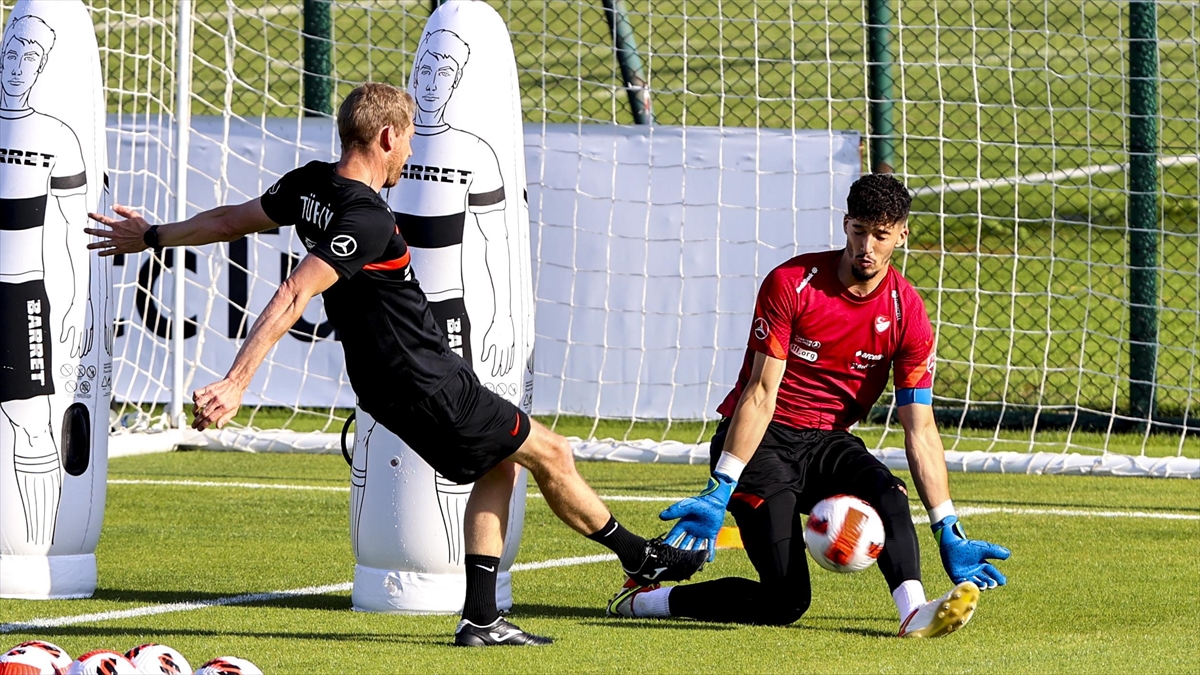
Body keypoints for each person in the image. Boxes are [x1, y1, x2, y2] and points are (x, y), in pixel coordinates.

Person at [86, 82, 706, 647]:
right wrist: (236, 381)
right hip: (424, 378)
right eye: (408, 138)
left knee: (503, 463)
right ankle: (640, 557)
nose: (409, 153)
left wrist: (154, 235)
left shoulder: (309, 186)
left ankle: (481, 618)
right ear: (387, 136)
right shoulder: (366, 216)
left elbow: (229, 220)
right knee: (553, 453)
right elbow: (295, 291)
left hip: (387, 382)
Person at [608, 174, 1011, 638]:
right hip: (763, 443)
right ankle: (643, 600)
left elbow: (919, 429)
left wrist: (948, 526)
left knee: (888, 492)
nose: (867, 247)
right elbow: (760, 392)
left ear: (901, 235)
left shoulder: (908, 314)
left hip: (828, 442)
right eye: (859, 231)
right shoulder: (792, 283)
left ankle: (913, 612)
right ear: (845, 225)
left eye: (881, 235)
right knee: (785, 601)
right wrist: (722, 485)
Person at [1, 14, 93, 547]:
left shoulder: (58, 136)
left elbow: (73, 226)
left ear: (42, 69)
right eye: (11, 55)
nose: (17, 68)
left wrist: (77, 301)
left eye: (29, 59)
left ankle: (36, 557)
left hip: (22, 298)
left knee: (33, 424)